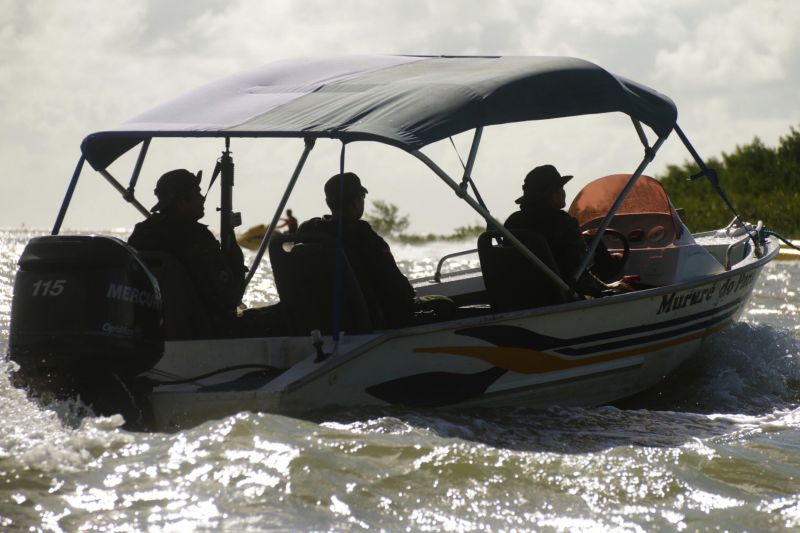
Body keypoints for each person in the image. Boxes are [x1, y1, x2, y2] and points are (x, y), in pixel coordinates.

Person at [128, 169, 247, 334]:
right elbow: (229, 297)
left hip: (153, 330)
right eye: (197, 193)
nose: (202, 198)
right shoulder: (197, 238)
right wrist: (231, 241)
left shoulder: (140, 235)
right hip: (203, 331)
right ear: (182, 201)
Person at [296, 172, 416, 328]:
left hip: (322, 324)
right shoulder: (363, 236)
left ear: (328, 202)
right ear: (356, 201)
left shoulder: (308, 232)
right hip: (367, 325)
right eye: (362, 197)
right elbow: (397, 287)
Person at [504, 164, 632, 297]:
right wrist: (608, 287)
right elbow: (579, 278)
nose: (563, 192)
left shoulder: (512, 222)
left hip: (523, 297)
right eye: (561, 188)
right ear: (553, 194)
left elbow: (550, 248)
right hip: (556, 298)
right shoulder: (562, 222)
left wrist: (580, 238)